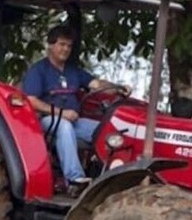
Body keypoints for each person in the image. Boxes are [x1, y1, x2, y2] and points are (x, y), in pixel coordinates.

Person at [22, 24, 130, 195]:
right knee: (64, 126)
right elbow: (31, 100)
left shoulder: (73, 71)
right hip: (46, 121)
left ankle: (112, 177)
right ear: (50, 45)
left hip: (74, 120)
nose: (66, 49)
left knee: (107, 130)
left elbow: (97, 85)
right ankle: (74, 179)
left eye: (69, 46)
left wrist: (117, 88)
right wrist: (61, 113)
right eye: (62, 44)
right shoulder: (39, 70)